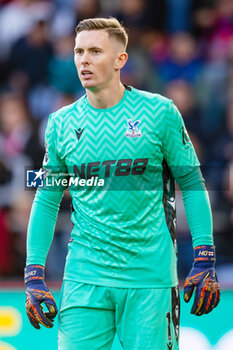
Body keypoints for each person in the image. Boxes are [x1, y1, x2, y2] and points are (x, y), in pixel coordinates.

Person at [24, 17, 220, 350]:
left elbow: (191, 181)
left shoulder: (160, 113)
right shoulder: (60, 123)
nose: (84, 60)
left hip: (149, 278)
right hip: (84, 276)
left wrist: (204, 255)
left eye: (95, 51)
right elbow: (47, 199)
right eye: (79, 51)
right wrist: (33, 271)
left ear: (120, 60)